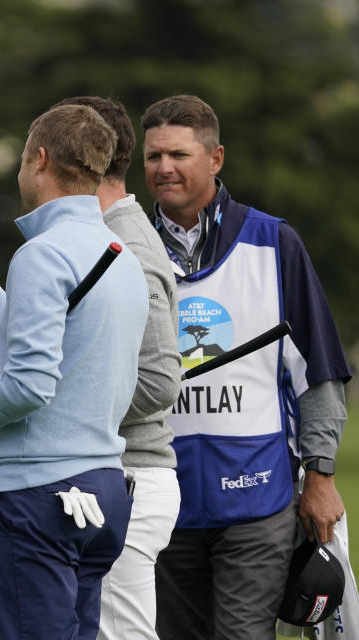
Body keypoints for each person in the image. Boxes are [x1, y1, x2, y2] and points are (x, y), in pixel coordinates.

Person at [0, 96, 182, 640]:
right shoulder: (120, 250)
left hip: (41, 497)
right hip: (103, 490)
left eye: (24, 158)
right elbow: (44, 340)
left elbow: (28, 383)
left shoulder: (43, 254)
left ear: (40, 159)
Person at [140, 95, 351, 640]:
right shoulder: (126, 249)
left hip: (258, 501)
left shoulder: (275, 240)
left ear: (215, 159)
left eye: (179, 154)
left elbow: (319, 371)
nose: (164, 168)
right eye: (153, 156)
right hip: (161, 501)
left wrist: (321, 474)